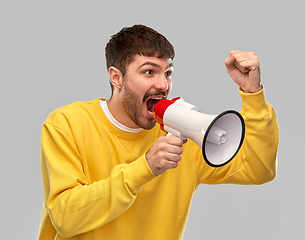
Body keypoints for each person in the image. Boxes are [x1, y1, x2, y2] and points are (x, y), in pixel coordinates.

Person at [38, 24, 279, 240]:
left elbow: (259, 169)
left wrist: (253, 94)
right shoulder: (67, 124)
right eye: (149, 72)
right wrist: (144, 168)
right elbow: (65, 218)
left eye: (168, 73)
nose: (163, 85)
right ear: (116, 77)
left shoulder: (184, 133)